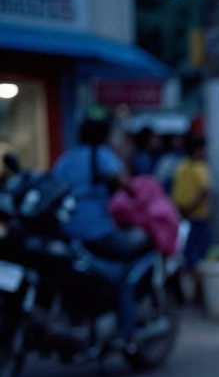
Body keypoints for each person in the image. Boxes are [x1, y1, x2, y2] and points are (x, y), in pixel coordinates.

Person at [51, 115, 150, 347]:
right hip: (97, 231)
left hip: (67, 231)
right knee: (127, 271)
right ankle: (128, 330)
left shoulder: (66, 158)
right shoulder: (102, 155)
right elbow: (127, 185)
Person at [171, 135, 212, 299]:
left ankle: (195, 292)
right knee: (197, 256)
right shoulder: (199, 168)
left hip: (185, 216)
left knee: (188, 255)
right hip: (195, 217)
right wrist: (190, 208)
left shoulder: (181, 167)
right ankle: (197, 293)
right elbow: (204, 191)